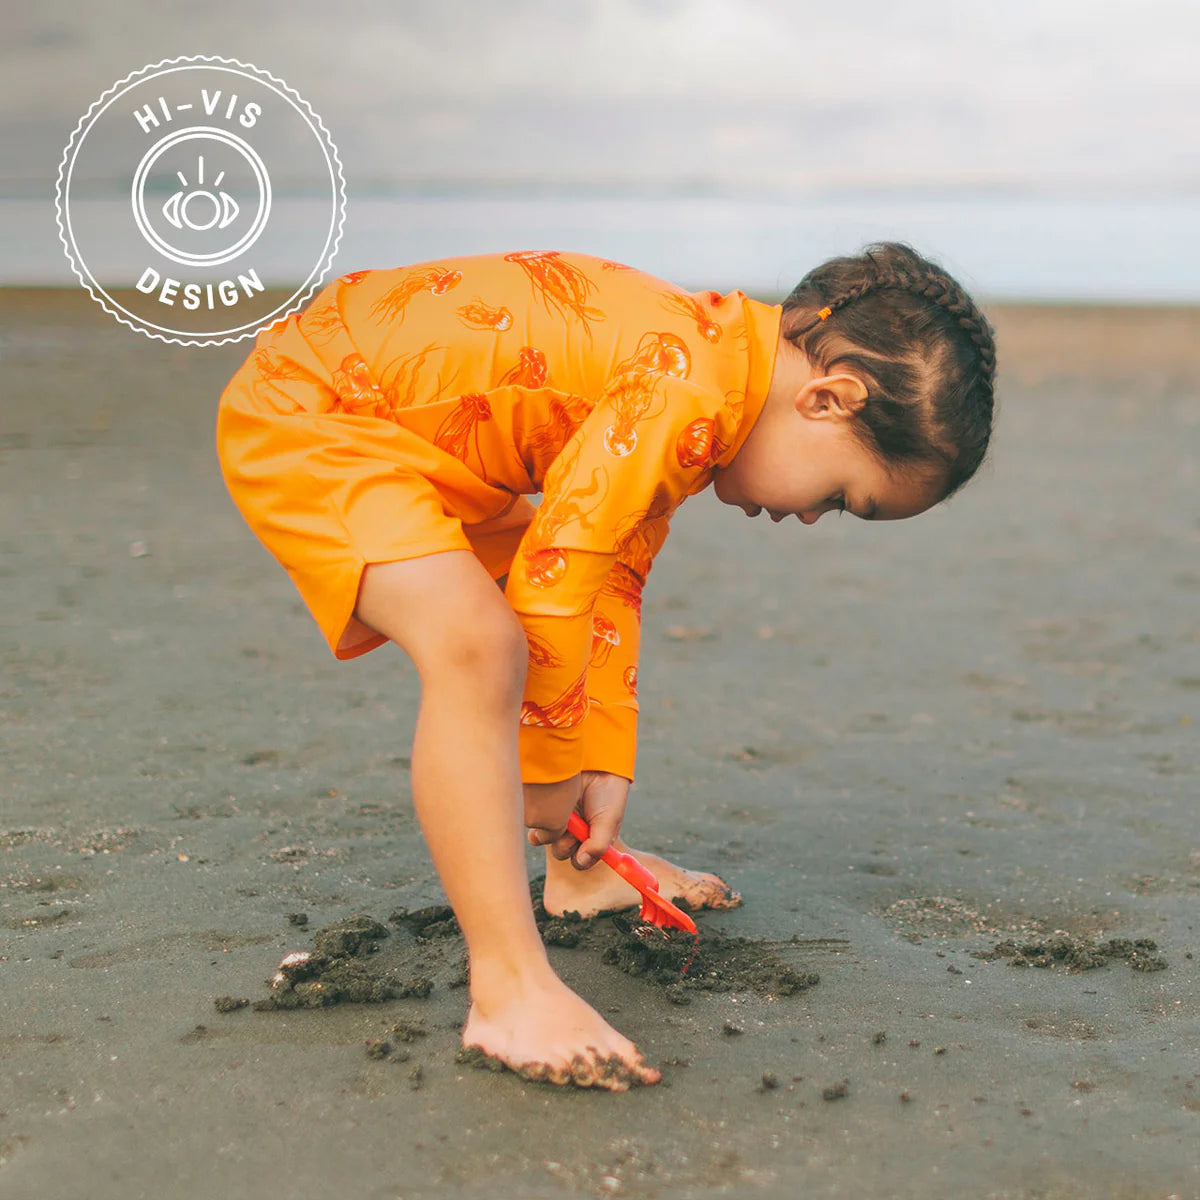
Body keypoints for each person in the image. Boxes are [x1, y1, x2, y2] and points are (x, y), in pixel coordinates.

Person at [215, 243, 996, 1091]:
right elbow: (556, 577)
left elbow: (608, 573)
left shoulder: (713, 379)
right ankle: (509, 989)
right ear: (829, 399)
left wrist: (598, 766)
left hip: (411, 440)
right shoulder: (689, 386)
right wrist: (546, 764)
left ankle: (577, 877)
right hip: (318, 412)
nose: (813, 518)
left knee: (529, 627)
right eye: (843, 498)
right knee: (479, 647)